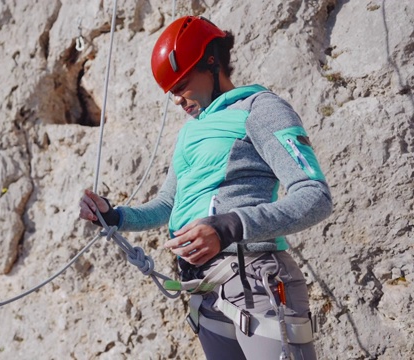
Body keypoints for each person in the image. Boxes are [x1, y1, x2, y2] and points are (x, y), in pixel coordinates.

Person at [79, 16, 332, 360]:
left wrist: (229, 226)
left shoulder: (261, 108)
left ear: (211, 63)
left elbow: (315, 197)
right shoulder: (189, 133)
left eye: (182, 83)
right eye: (171, 92)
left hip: (257, 281)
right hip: (206, 295)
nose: (178, 99)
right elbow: (169, 203)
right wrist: (116, 216)